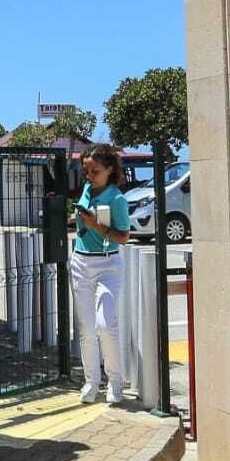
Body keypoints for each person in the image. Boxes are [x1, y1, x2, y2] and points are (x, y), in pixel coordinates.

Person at [72, 144, 132, 404]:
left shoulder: (117, 199)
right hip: (81, 262)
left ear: (109, 169)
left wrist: (95, 224)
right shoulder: (87, 189)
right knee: (86, 328)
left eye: (94, 171)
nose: (89, 175)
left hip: (108, 264)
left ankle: (115, 381)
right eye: (86, 170)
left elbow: (124, 237)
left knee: (106, 325)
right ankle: (91, 381)